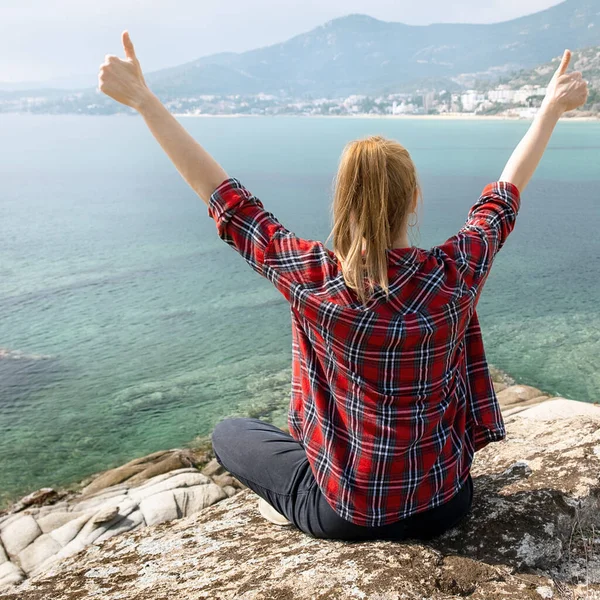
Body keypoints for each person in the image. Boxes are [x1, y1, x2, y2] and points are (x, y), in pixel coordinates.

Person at [98, 33, 588, 541]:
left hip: (347, 514)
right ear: (415, 197)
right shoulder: (455, 272)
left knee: (229, 432)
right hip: (447, 502)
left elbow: (229, 203)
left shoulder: (312, 278)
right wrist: (550, 107)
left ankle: (292, 504)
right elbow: (503, 197)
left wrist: (144, 102)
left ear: (343, 199)